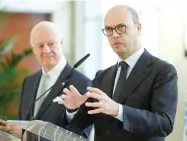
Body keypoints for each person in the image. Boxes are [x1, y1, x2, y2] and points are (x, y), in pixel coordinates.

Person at [59, 5, 178, 141]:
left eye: (121, 27)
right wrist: (73, 110)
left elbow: (164, 124)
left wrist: (118, 110)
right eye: (109, 29)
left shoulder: (163, 71)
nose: (114, 35)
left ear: (138, 28)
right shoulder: (102, 76)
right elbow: (82, 124)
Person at [0, 21, 92, 140]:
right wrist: (9, 128)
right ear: (33, 49)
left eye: (51, 44)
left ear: (61, 43)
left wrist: (29, 136)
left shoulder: (82, 83)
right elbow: (24, 123)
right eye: (40, 46)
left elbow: (79, 137)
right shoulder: (29, 82)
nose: (46, 50)